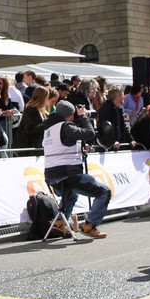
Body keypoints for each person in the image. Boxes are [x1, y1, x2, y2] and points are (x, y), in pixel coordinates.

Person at [40, 100, 111, 238]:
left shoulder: (48, 129)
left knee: (71, 194)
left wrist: (78, 152)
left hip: (51, 176)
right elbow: (89, 133)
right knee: (104, 192)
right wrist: (83, 116)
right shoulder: (66, 126)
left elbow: (61, 147)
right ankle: (89, 225)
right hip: (68, 173)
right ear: (69, 114)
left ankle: (60, 223)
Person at [12, 84, 51, 151]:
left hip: (39, 145)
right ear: (42, 98)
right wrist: (45, 124)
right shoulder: (30, 110)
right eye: (46, 97)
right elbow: (29, 129)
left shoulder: (43, 111)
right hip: (29, 145)